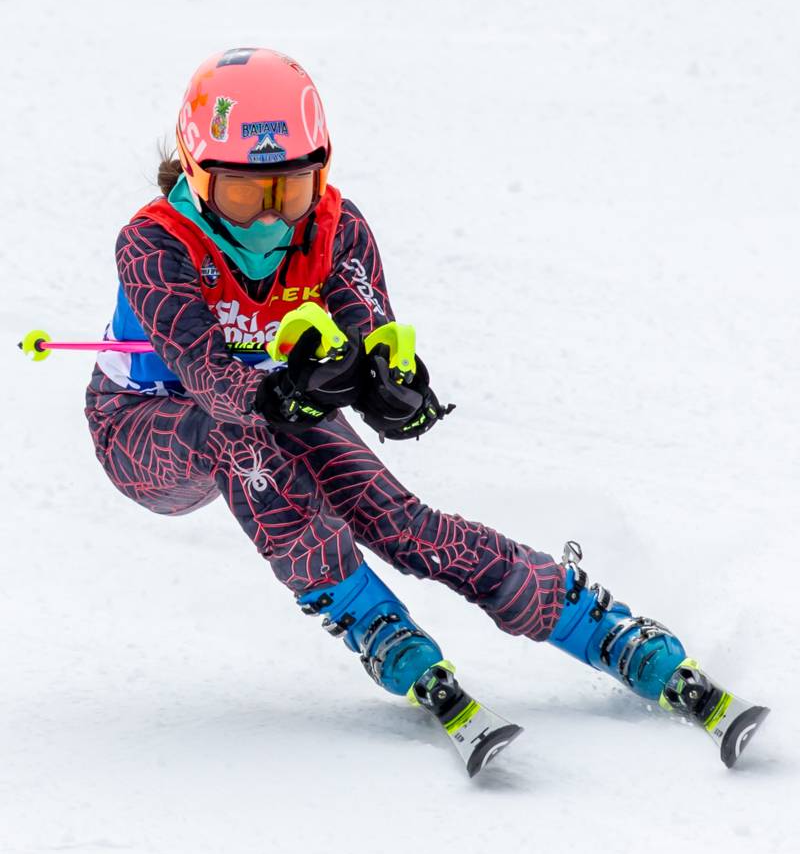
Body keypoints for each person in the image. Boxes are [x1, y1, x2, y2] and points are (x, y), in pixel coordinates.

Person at [84, 47, 767, 775]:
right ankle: (379, 628)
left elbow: (371, 339)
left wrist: (392, 392)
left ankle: (600, 626)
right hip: (144, 424)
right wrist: (275, 392)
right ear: (195, 173)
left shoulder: (335, 230)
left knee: (401, 522)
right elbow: (207, 374)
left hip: (266, 411)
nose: (273, 218)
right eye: (247, 197)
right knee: (240, 442)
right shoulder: (153, 242)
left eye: (293, 190)